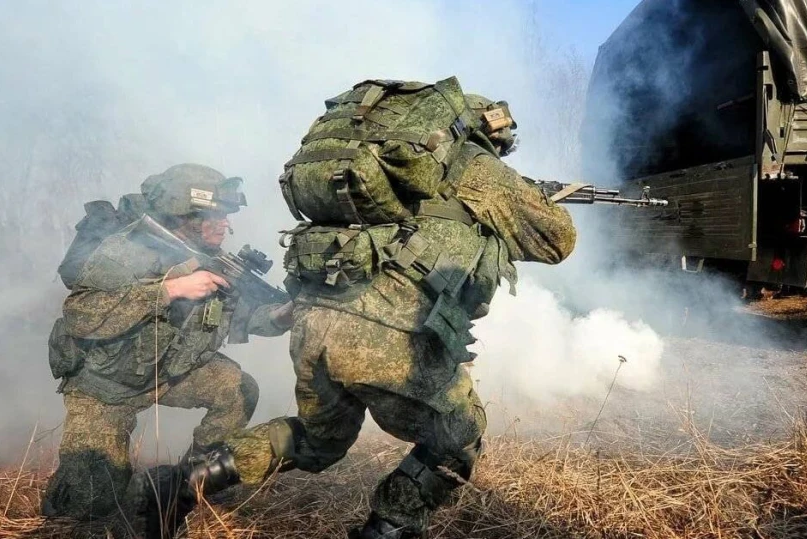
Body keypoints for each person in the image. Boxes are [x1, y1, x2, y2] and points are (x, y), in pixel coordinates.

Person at [131, 88, 577, 539]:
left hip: (317, 321)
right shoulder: (475, 165)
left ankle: (179, 484)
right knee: (458, 433)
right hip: (389, 331)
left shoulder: (379, 166)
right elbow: (557, 240)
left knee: (318, 439)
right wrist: (529, 198)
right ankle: (390, 527)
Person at [41, 163, 294, 520]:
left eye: (226, 216)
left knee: (238, 389)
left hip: (165, 371)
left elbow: (246, 316)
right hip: (105, 386)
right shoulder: (127, 250)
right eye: (215, 216)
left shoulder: (210, 260)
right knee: (91, 505)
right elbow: (82, 315)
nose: (225, 225)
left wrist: (283, 314)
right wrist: (170, 289)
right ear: (183, 214)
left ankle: (190, 484)